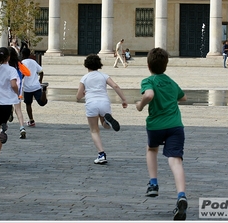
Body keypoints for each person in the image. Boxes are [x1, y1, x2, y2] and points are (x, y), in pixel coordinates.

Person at [135, 47, 188, 220]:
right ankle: (181, 195)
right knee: (175, 160)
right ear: (166, 65)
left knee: (152, 149)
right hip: (175, 126)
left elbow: (149, 95)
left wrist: (140, 105)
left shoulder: (148, 81)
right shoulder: (171, 82)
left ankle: (153, 183)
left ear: (148, 65)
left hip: (156, 125)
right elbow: (183, 97)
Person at [76, 54, 128, 164]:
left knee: (94, 130)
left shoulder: (84, 78)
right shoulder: (104, 76)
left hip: (91, 103)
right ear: (99, 65)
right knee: (104, 124)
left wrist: (83, 94)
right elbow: (115, 86)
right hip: (104, 102)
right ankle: (107, 121)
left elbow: (78, 96)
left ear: (86, 65)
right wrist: (123, 99)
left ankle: (101, 154)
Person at [21, 47, 48, 127]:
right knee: (42, 103)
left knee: (28, 104)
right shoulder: (33, 62)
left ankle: (31, 120)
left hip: (27, 87)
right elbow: (41, 72)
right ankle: (43, 90)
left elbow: (22, 75)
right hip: (36, 85)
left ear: (22, 55)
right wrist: (40, 80)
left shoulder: (22, 63)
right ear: (29, 54)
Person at [8, 46, 30, 139]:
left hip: (8, 89)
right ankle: (22, 127)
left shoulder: (6, 65)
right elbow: (27, 73)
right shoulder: (19, 64)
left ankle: (5, 122)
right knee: (19, 110)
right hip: (18, 89)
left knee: (5, 106)